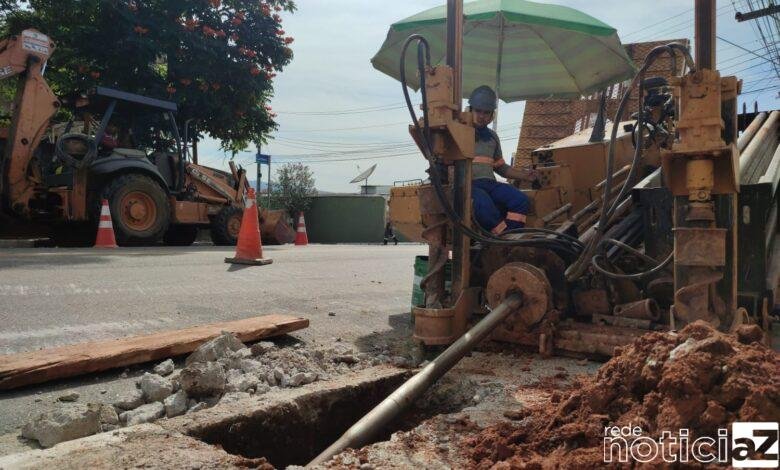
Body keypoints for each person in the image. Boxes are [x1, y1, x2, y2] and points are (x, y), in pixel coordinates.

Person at [468, 85, 537, 234]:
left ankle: (511, 237)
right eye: (478, 111)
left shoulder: (492, 137)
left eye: (486, 112)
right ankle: (501, 239)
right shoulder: (459, 133)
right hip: (469, 185)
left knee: (520, 200)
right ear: (470, 110)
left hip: (490, 184)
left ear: (492, 115)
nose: (481, 116)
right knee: (485, 205)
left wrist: (525, 176)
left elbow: (501, 168)